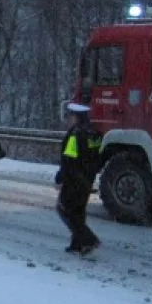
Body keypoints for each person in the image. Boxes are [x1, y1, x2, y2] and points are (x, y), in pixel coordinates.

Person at [55, 102, 103, 255]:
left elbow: (69, 158)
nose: (69, 119)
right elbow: (98, 156)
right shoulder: (94, 133)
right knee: (78, 211)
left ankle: (89, 240)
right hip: (87, 178)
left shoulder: (75, 134)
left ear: (76, 117)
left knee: (65, 209)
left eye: (71, 116)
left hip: (73, 179)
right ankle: (77, 244)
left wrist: (60, 176)